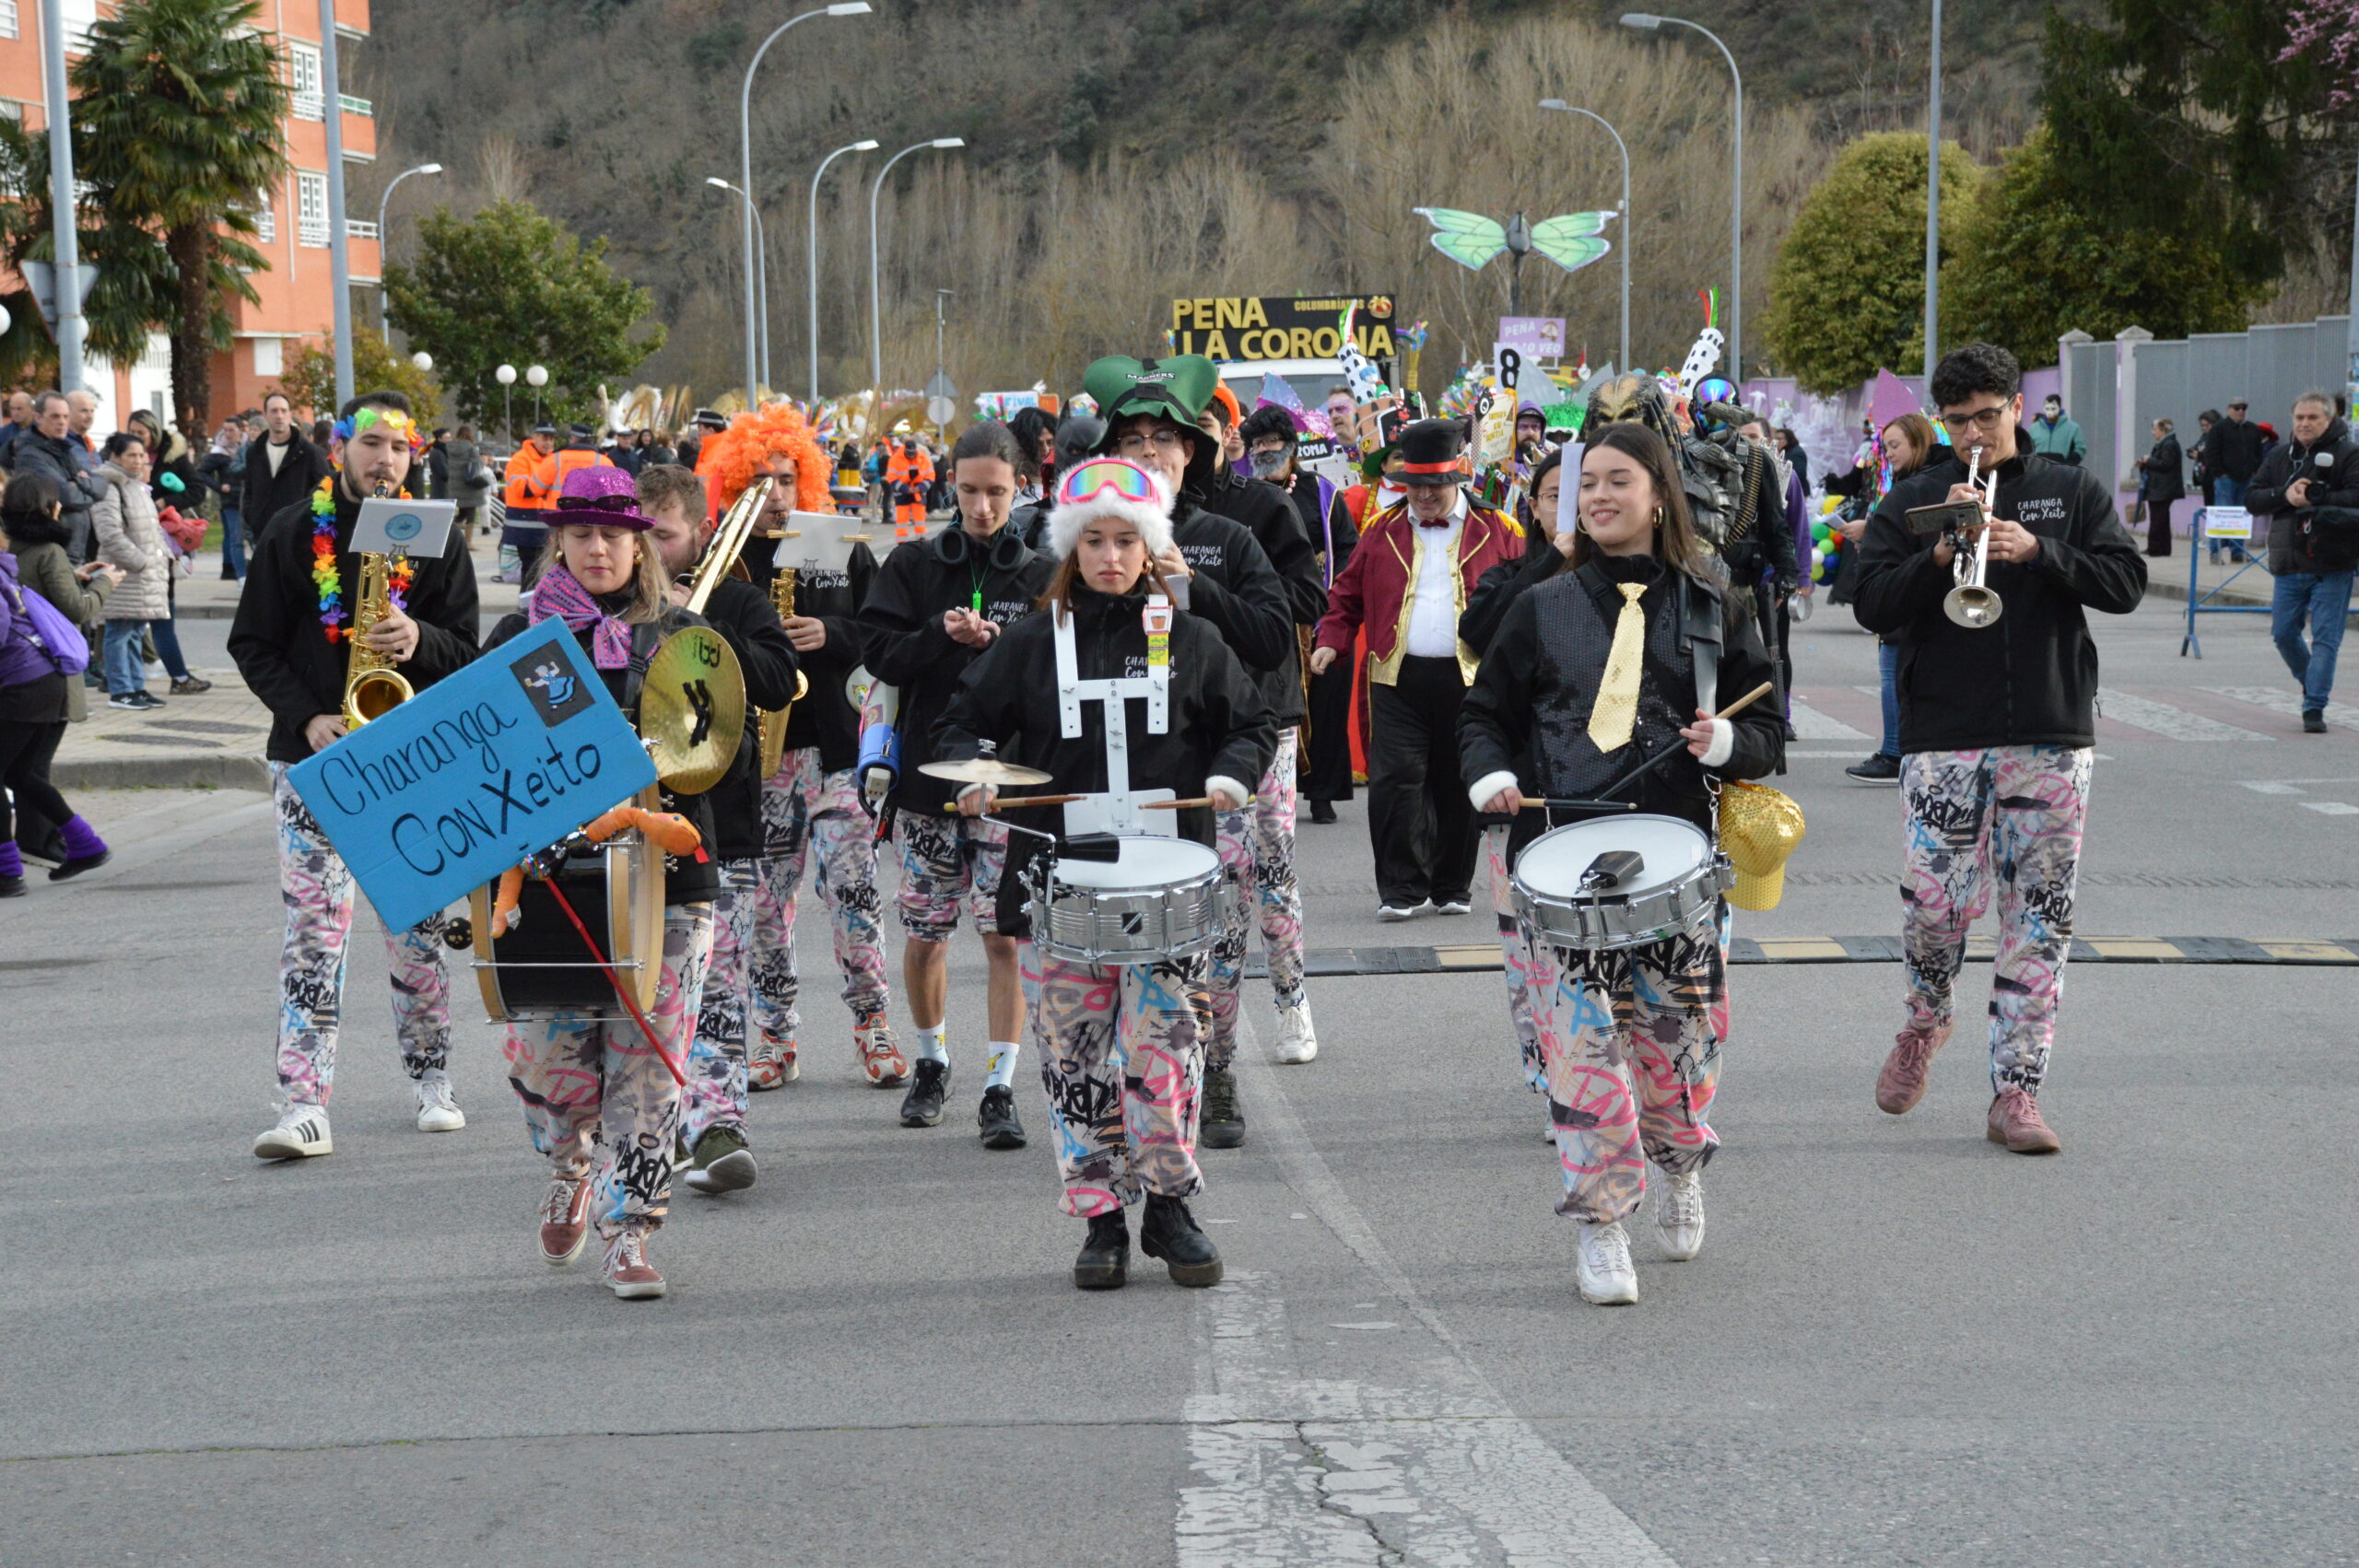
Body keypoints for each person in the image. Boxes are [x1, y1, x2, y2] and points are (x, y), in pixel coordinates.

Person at [933, 455, 1277, 1292]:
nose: (1112, 556)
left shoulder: (1194, 639)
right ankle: (1099, 1218)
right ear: (1070, 549)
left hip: (1171, 879)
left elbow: (1252, 723)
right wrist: (973, 773)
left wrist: (1234, 773)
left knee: (1166, 1050)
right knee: (1075, 1053)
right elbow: (960, 723)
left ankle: (1168, 1206)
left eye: (1128, 540)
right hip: (1062, 875)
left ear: (1152, 547)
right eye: (1095, 541)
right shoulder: (1027, 644)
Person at [1460, 422, 1784, 1305]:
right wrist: (1489, 772)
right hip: (1557, 860)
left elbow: (1768, 732)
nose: (1599, 496)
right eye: (1586, 484)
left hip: (1677, 864)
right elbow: (1483, 714)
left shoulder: (1716, 603)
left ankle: (1681, 1162)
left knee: (1680, 1059)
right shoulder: (1539, 605)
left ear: (1657, 494)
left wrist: (1727, 742)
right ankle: (1601, 1224)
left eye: (1619, 481)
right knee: (1582, 1055)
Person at [1851, 344, 2147, 1156]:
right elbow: (1871, 603)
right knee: (1934, 909)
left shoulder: (2068, 490)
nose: (1976, 434)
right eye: (1959, 421)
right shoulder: (1913, 496)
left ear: (2018, 406)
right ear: (1939, 422)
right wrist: (1939, 553)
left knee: (2039, 920)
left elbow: (2124, 583)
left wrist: (2041, 553)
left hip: (2050, 732)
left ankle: (2016, 1093)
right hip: (1944, 730)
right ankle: (1927, 1016)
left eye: (1990, 415)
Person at [478, 471, 721, 1299]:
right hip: (544, 882)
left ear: (641, 542)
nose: (598, 548)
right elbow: (482, 754)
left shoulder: (682, 636)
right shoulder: (519, 634)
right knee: (552, 1062)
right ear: (559, 543)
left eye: (614, 534)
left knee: (648, 1064)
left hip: (666, 880)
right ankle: (567, 1163)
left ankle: (632, 1231)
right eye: (580, 533)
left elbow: (715, 756)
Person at [227, 391, 481, 1162]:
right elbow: (252, 642)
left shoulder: (438, 535)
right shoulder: (293, 530)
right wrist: (308, 716)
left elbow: (468, 651)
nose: (385, 459)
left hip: (410, 765)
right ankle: (303, 1105)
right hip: (314, 760)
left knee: (419, 935)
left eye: (399, 448)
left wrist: (421, 638)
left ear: (415, 457)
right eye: (371, 443)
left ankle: (433, 1081)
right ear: (340, 449)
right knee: (312, 937)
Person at [1082, 354, 1297, 1145]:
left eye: (1163, 440)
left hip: (1216, 760)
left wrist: (1192, 589)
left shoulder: (1227, 538)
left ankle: (1217, 1069)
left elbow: (1276, 638)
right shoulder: (1085, 544)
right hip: (1117, 769)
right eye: (1131, 440)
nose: (1149, 452)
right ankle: (1115, 1092)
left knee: (1218, 925)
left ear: (1190, 453)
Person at [856, 421, 1055, 1144]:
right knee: (926, 932)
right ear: (951, 485)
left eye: (997, 493)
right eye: (969, 491)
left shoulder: (1039, 572)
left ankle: (1000, 1084)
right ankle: (932, 1062)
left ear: (1020, 487)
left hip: (1010, 782)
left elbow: (1057, 675)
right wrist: (939, 634)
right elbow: (876, 653)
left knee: (1005, 935)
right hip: (925, 786)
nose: (981, 508)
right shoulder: (910, 564)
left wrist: (1010, 651)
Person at [699, 404, 900, 1089]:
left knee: (855, 896)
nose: (775, 493)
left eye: (786, 479)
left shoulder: (844, 547)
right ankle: (774, 1035)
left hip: (838, 757)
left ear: (806, 481)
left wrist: (834, 635)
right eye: (759, 479)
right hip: (761, 762)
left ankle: (874, 1026)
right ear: (732, 485)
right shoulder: (719, 561)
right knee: (764, 909)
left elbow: (887, 635)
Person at [632, 463, 799, 1194]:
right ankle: (651, 1130)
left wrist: (700, 623)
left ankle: (720, 1127)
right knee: (639, 992)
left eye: (661, 537)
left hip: (716, 826)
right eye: (637, 535)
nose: (646, 551)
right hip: (624, 829)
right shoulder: (604, 608)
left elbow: (777, 677)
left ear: (700, 534)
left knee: (717, 984)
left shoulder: (735, 598)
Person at [1312, 417, 1524, 921]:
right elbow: (1344, 596)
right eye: (1413, 486)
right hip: (1397, 677)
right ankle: (1401, 889)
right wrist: (1332, 641)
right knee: (1395, 781)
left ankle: (1452, 885)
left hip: (1470, 677)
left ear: (1458, 481)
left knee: (1456, 781)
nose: (1423, 497)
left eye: (1433, 486)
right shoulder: (1380, 530)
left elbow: (1528, 597)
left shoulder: (1499, 530)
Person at [1187, 379, 1326, 1081]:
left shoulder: (1265, 507)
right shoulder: (1151, 516)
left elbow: (1307, 597)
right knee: (1213, 880)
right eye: (1188, 426)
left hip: (1264, 715)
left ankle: (1292, 996)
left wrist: (1240, 586)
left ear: (1231, 436)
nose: (1199, 436)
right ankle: (1214, 1041)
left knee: (1269, 872)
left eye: (1213, 423)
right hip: (1186, 722)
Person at [1239, 403, 1359, 824]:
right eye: (1255, 443)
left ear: (1291, 448)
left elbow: (1347, 547)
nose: (1262, 450)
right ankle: (1268, 784)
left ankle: (1323, 793)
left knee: (1325, 706)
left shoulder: (1323, 493)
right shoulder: (1243, 493)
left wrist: (1336, 588)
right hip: (1262, 613)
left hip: (1316, 610)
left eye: (1270, 442)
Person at [0, 475, 115, 895]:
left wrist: (86, 582)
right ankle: (74, 844)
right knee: (23, 772)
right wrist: (103, 582)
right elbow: (69, 609)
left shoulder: (18, 554)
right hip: (44, 678)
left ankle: (14, 866)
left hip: (26, 681)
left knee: (19, 772)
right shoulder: (36, 554)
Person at [2245, 390, 2359, 733]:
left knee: (2326, 638)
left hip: (2333, 561)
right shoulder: (2280, 456)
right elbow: (2253, 497)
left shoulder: (2349, 454)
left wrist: (2314, 499)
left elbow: (2356, 495)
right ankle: (2312, 682)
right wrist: (2286, 495)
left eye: (2313, 418)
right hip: (2289, 560)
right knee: (2283, 633)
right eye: (2300, 418)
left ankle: (2314, 707)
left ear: (2329, 419)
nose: (2305, 424)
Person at [1837, 413, 1939, 781]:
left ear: (1918, 441)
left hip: (1907, 599)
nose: (1889, 453)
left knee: (1892, 677)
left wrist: (1874, 528)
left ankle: (1895, 752)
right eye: (1886, 446)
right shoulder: (1909, 481)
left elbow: (1916, 536)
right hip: (1899, 593)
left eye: (1895, 445)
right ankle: (1897, 750)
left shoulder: (1921, 484)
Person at [89, 433, 175, 711]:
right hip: (126, 573)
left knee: (136, 631)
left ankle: (137, 687)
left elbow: (150, 531)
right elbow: (110, 533)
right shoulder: (110, 486)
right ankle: (121, 691)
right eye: (132, 455)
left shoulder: (136, 485)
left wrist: (163, 558)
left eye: (142, 455)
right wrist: (141, 561)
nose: (139, 461)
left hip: (143, 574)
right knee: (119, 632)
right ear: (115, 456)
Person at [241, 394, 332, 573]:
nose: (279, 416)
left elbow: (325, 491)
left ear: (290, 415)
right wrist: (252, 517)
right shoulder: (254, 452)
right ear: (266, 415)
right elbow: (250, 489)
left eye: (283, 411)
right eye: (274, 411)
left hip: (299, 536)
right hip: (264, 534)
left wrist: (308, 523)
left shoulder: (310, 452)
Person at [11, 392, 105, 564]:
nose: (62, 422)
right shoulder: (30, 455)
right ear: (38, 417)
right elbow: (67, 496)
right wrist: (87, 490)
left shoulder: (66, 450)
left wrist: (79, 484)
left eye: (65, 416)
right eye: (55, 416)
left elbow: (101, 486)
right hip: (56, 551)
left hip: (79, 549)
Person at [2208, 399, 2265, 565]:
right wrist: (2220, 473)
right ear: (2229, 409)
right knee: (2222, 515)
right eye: (2237, 408)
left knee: (2242, 516)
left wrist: (2255, 471)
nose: (2241, 411)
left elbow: (2258, 453)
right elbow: (2211, 453)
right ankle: (2215, 552)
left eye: (2244, 408)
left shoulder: (2252, 429)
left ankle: (2237, 552)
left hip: (2246, 479)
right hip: (2226, 480)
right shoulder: (2219, 429)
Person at [499, 424, 558, 582]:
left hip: (542, 524)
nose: (549, 443)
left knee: (541, 568)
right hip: (524, 525)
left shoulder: (552, 459)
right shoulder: (521, 459)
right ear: (535, 437)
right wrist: (546, 488)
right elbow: (522, 490)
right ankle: (527, 605)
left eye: (551, 439)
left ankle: (534, 604)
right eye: (545, 438)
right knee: (531, 568)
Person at [2136, 417, 2184, 558]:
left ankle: (2155, 548)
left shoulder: (2169, 445)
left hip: (2163, 488)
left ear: (2163, 430)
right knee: (2162, 519)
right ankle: (2163, 548)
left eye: (2155, 429)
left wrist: (2148, 460)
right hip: (2160, 487)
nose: (2153, 432)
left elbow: (2165, 464)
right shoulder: (2165, 444)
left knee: (2157, 519)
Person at [886, 429, 934, 541]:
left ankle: (921, 537)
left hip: (918, 491)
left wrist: (920, 488)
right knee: (902, 518)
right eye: (909, 455)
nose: (912, 457)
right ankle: (902, 540)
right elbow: (891, 478)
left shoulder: (923, 458)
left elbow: (930, 476)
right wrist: (905, 489)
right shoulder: (895, 459)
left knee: (920, 517)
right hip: (902, 492)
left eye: (913, 454)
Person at [446, 424, 493, 537]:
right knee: (471, 514)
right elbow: (477, 467)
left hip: (455, 486)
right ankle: (467, 541)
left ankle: (448, 536)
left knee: (461, 513)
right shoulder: (471, 448)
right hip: (470, 486)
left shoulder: (449, 448)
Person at [2026, 394, 2086, 465]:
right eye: (2047, 409)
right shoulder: (2034, 429)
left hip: (2062, 472)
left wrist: (2069, 465)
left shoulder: (2073, 429)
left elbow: (2080, 449)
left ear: (2059, 408)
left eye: (2053, 409)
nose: (2050, 412)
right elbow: (2027, 449)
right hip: (2039, 471)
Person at [0, 390, 34, 468]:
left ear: (31, 408)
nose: (15, 413)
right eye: (12, 409)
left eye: (19, 409)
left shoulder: (41, 430)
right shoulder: (3, 433)